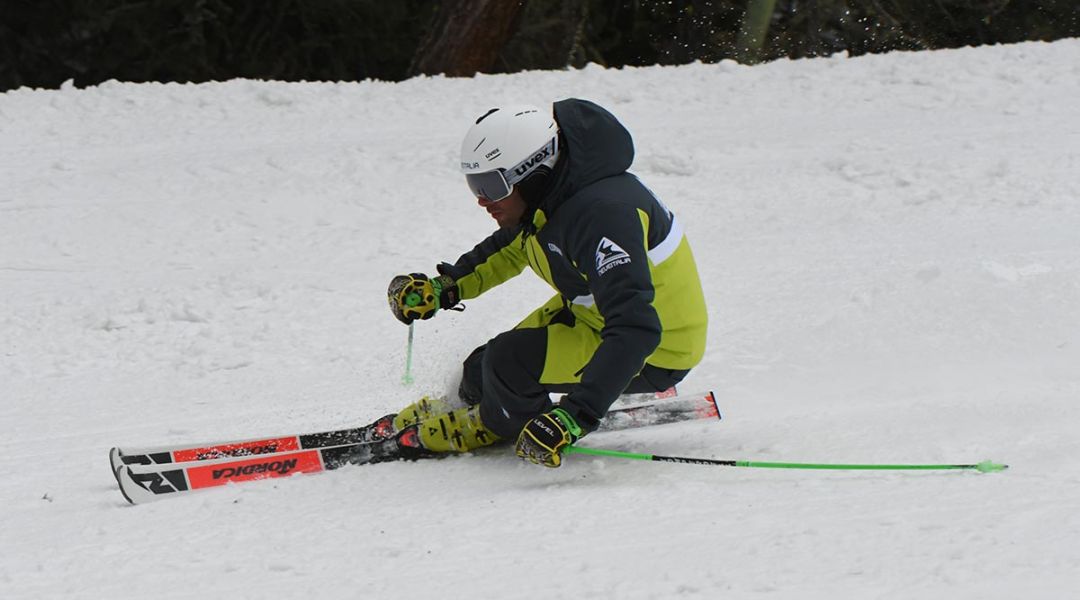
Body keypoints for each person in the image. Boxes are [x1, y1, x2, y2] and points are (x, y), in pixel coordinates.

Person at [386, 99, 708, 468]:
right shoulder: (551, 198)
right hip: (593, 314)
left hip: (658, 346)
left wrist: (575, 416)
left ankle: (495, 423)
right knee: (480, 370)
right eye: (474, 183)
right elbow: (510, 248)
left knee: (508, 363)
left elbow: (637, 328)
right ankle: (476, 405)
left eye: (491, 184)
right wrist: (446, 288)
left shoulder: (604, 215)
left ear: (533, 171)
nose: (481, 200)